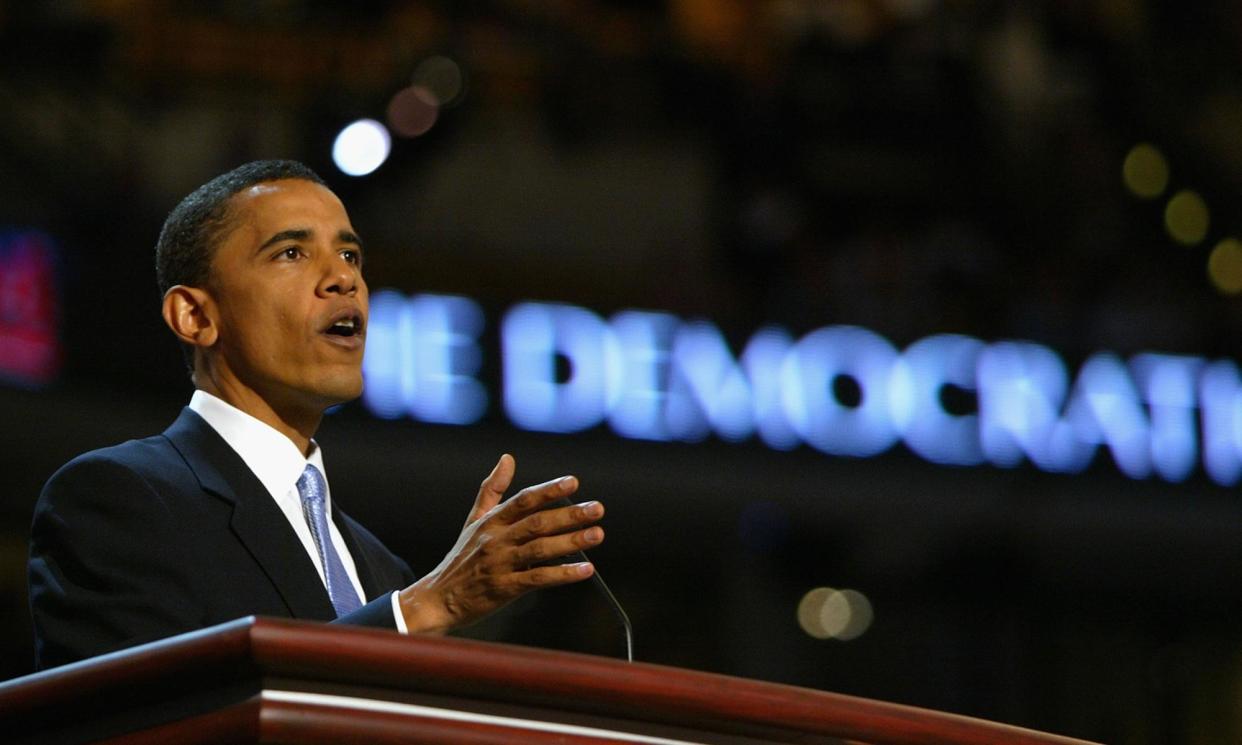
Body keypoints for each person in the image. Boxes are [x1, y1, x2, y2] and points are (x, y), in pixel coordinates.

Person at [27, 160, 606, 670]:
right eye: (291, 252)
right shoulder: (118, 499)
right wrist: (425, 609)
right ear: (195, 315)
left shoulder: (383, 571)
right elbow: (148, 719)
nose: (343, 278)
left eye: (350, 253)